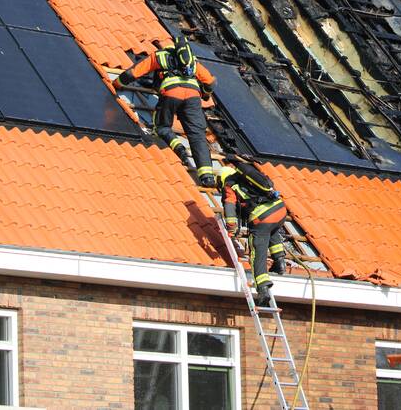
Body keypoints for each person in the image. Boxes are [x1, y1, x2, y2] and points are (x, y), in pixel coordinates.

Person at [113, 35, 217, 185]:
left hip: (171, 93)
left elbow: (134, 72)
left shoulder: (160, 56)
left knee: (162, 127)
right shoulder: (192, 62)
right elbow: (210, 82)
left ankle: (178, 147)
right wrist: (206, 95)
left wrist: (116, 84)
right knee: (197, 135)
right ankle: (207, 176)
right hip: (193, 98)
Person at [219, 160, 288, 305]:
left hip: (262, 217)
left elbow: (230, 206)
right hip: (280, 209)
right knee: (272, 230)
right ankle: (280, 262)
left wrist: (231, 227)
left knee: (257, 252)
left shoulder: (229, 185)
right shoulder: (246, 179)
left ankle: (262, 288)